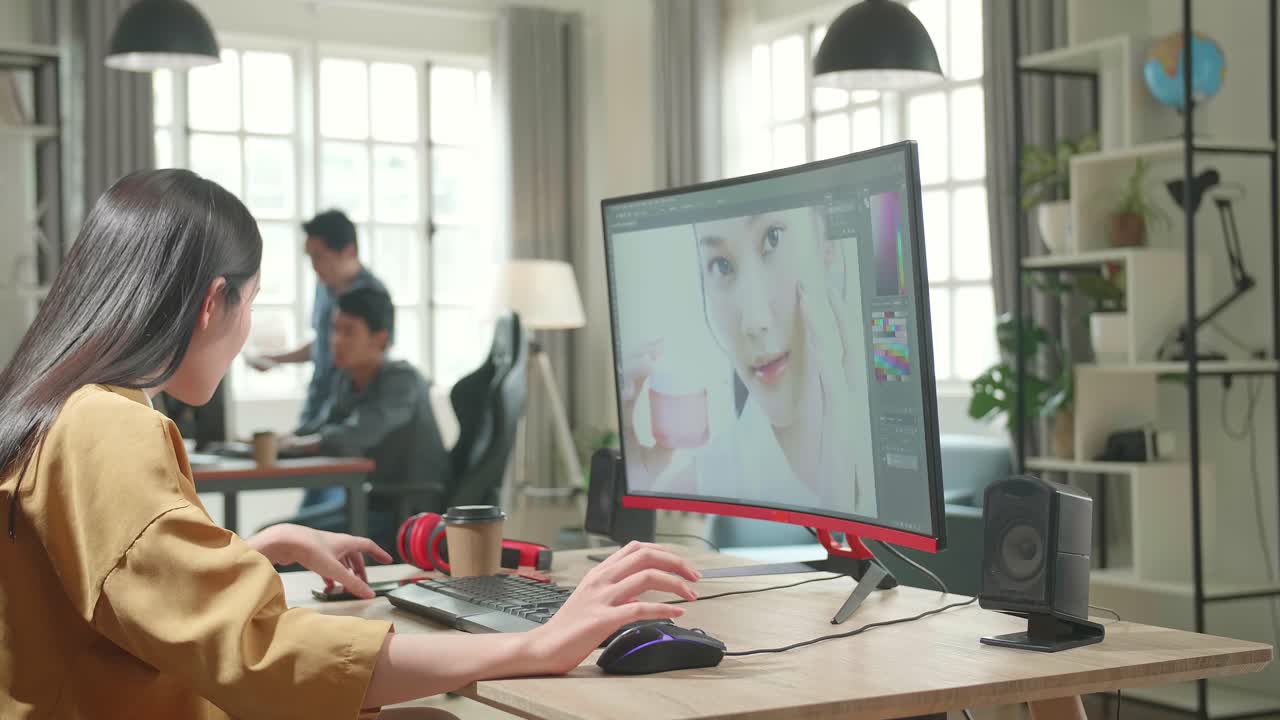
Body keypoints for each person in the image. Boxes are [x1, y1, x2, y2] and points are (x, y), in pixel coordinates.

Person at [0, 169, 699, 718]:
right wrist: (531, 646)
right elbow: (262, 653)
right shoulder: (108, 429)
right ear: (215, 302)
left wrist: (258, 548)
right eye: (254, 301)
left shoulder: (56, 410)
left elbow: (103, 591)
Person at [619, 206, 877, 518]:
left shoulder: (887, 461)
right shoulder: (702, 484)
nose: (753, 321)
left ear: (828, 246)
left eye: (773, 238)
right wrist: (639, 480)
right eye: (721, 265)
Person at [278, 287, 450, 554]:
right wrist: (279, 441)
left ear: (380, 340)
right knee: (271, 536)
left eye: (348, 332)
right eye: (335, 330)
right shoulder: (348, 378)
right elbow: (318, 429)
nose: (336, 341)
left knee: (283, 547)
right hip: (366, 504)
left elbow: (360, 432)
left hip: (406, 515)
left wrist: (303, 444)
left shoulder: (403, 379)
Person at [250, 209, 387, 434]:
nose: (314, 267)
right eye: (310, 258)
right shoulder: (324, 288)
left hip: (347, 413)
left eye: (320, 257)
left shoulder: (373, 297)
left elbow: (376, 359)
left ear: (348, 251)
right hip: (317, 405)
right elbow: (321, 345)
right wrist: (274, 359)